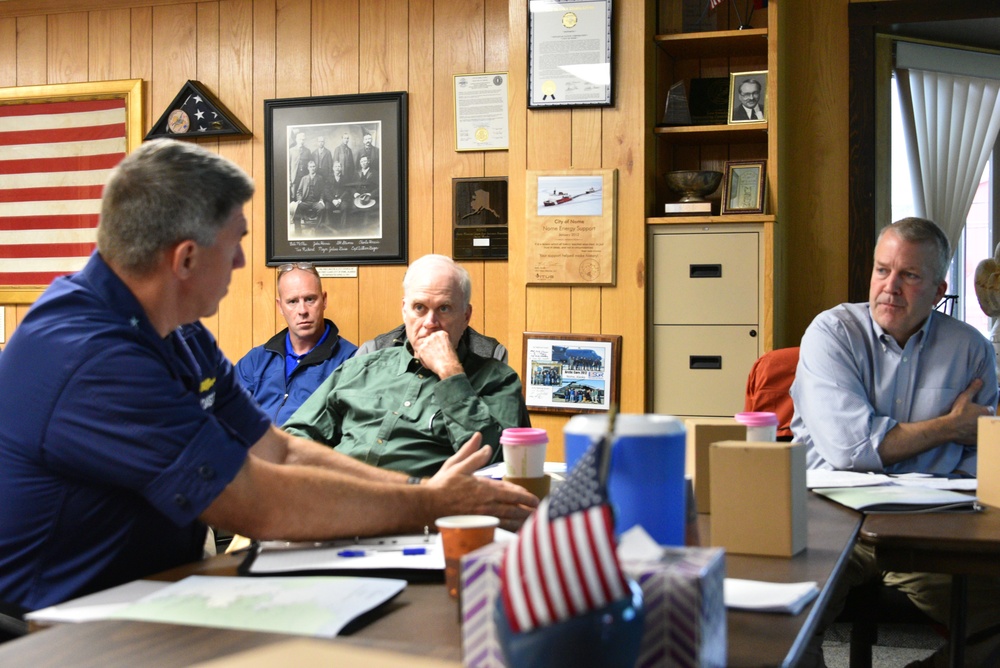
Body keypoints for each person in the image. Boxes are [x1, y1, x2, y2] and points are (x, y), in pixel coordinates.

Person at [0, 140, 537, 612]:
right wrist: (429, 503)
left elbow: (275, 449)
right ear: (185, 259)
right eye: (235, 241)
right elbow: (256, 501)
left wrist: (419, 490)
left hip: (156, 590)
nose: (240, 262)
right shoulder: (90, 353)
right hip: (62, 622)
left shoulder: (179, 332)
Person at [791, 217, 1000, 667]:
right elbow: (851, 449)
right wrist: (947, 427)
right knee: (784, 627)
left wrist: (948, 472)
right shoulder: (831, 334)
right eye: (882, 270)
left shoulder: (971, 351)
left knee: (993, 626)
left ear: (938, 290)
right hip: (829, 516)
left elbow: (981, 454)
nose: (890, 287)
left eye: (909, 275)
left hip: (930, 524)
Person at [283, 254, 531, 478]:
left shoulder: (497, 379)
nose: (430, 322)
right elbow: (295, 436)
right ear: (404, 310)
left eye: (444, 308)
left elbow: (496, 459)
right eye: (419, 308)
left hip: (424, 510)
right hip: (340, 500)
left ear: (466, 316)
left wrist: (451, 374)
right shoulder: (360, 369)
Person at [236, 262, 357, 425]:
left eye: (310, 299)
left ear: (324, 300)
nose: (302, 311)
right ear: (280, 307)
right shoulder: (256, 360)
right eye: (292, 301)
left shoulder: (351, 361)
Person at [291, 159, 327, 233]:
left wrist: (321, 200)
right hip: (305, 201)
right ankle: (298, 229)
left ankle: (318, 229)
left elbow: (322, 192)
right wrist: (299, 199)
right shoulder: (304, 178)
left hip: (316, 202)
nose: (312, 168)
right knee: (297, 207)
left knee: (322, 208)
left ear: (315, 167)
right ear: (308, 168)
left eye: (314, 166)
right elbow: (299, 191)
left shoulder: (320, 178)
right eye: (311, 167)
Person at [287, 130, 312, 200]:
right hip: (295, 177)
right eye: (300, 139)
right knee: (294, 196)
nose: (301, 141)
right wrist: (289, 179)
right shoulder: (291, 151)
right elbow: (288, 167)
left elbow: (310, 165)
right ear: (296, 140)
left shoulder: (307, 151)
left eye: (303, 139)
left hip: (304, 177)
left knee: (304, 195)